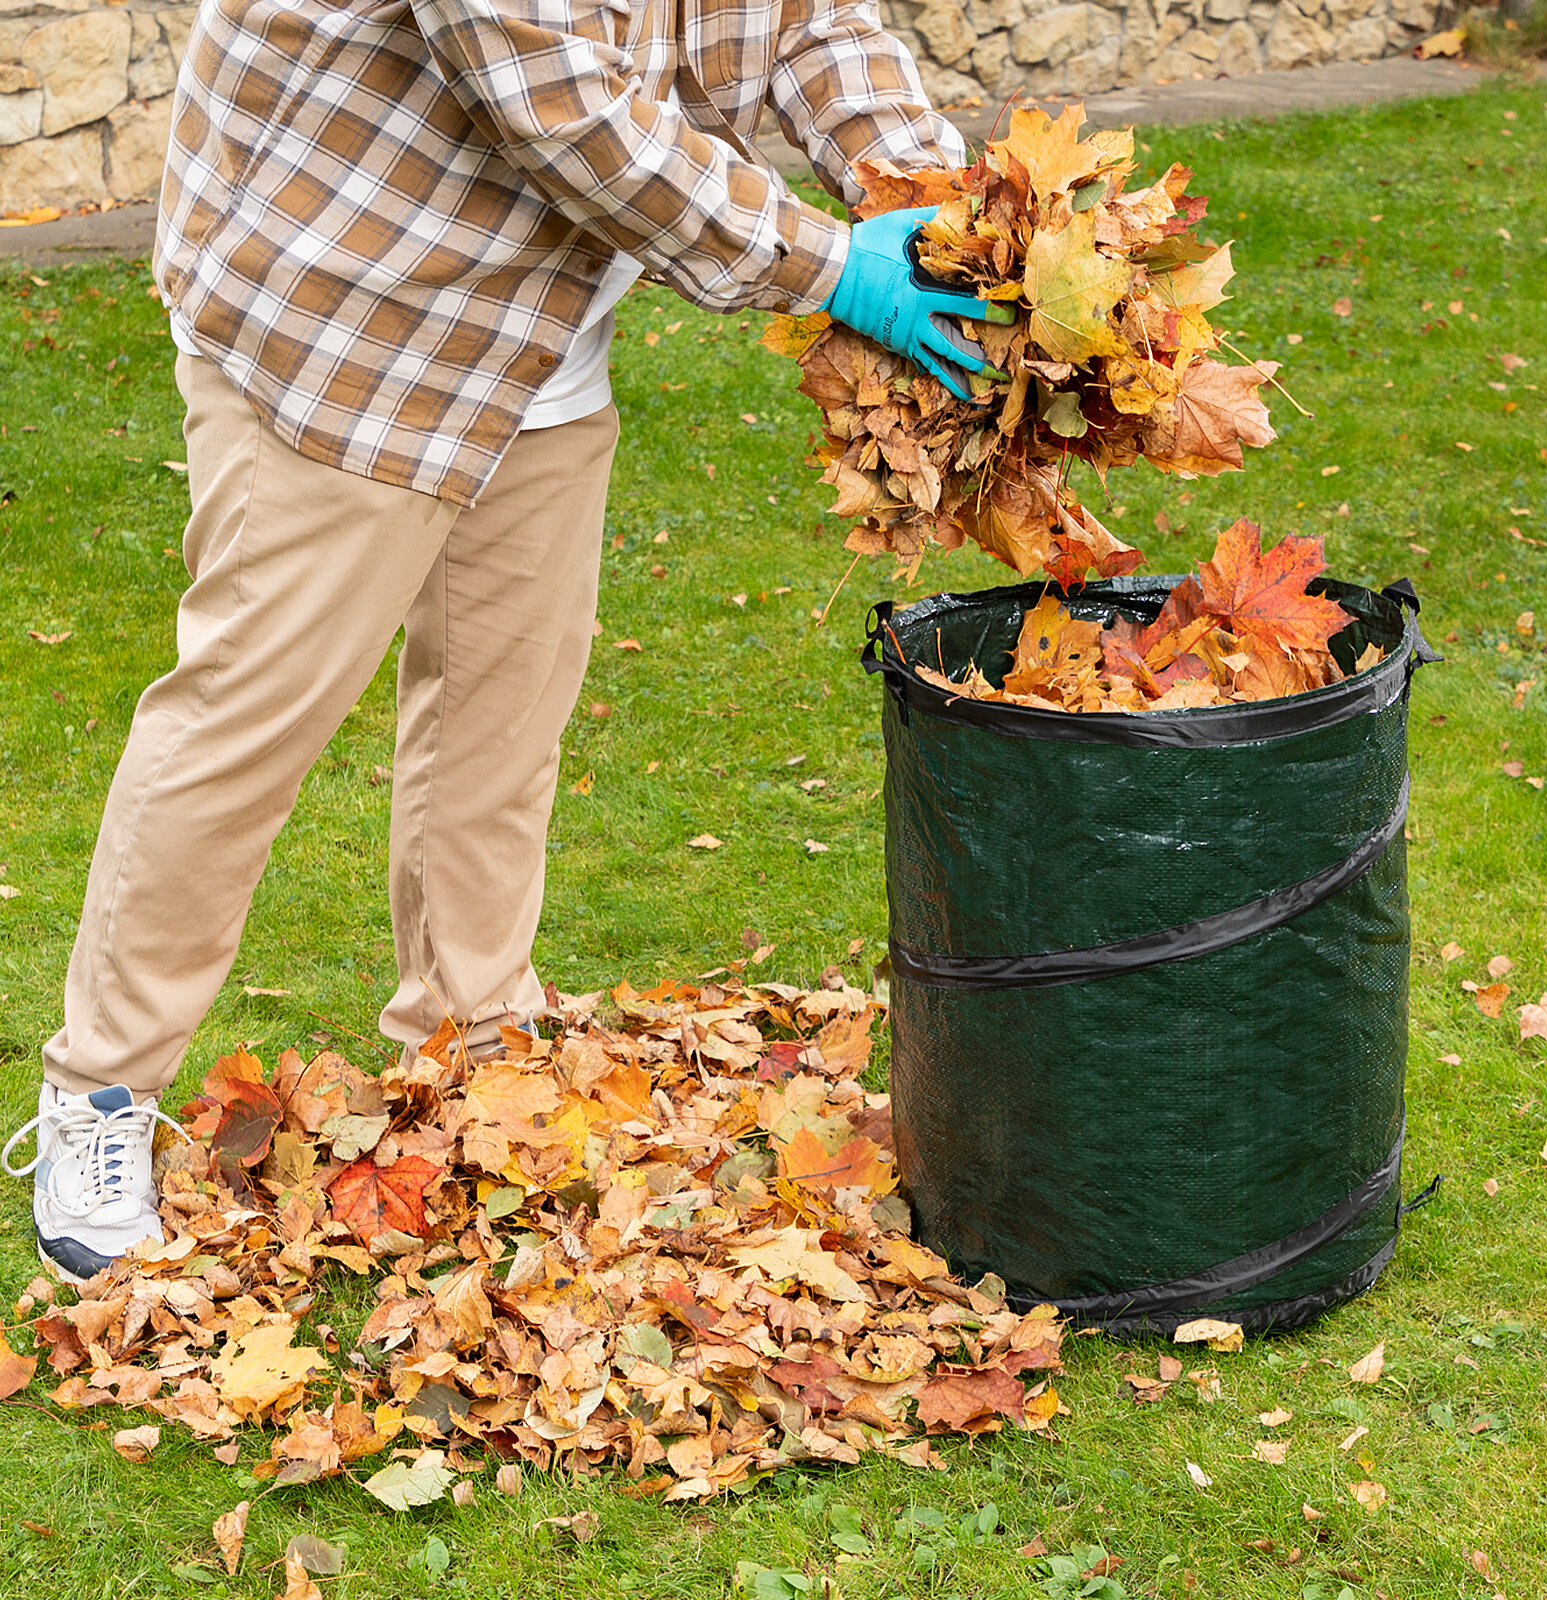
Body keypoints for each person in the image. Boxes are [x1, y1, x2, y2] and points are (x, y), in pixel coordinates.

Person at [2, 0, 1010, 1283]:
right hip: (345, 323)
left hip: (540, 341)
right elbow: (562, 104)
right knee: (247, 722)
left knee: (503, 715)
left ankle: (469, 1046)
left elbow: (814, 25)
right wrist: (831, 266)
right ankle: (98, 1096)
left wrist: (930, 207)